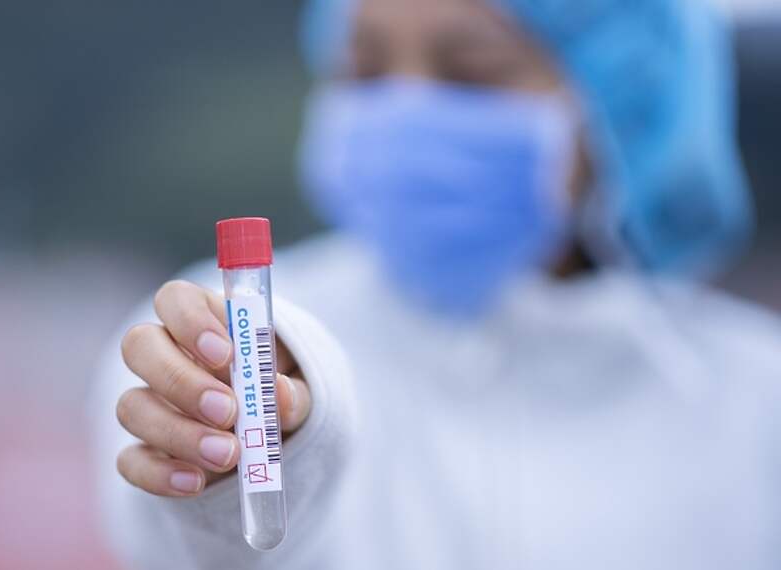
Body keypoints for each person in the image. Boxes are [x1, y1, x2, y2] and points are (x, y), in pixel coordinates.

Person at [93, 0, 781, 567]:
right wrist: (256, 457)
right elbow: (201, 545)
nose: (405, 107)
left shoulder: (753, 402)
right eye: (364, 71)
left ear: (620, 101)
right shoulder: (220, 332)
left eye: (472, 73)